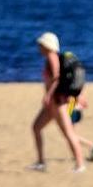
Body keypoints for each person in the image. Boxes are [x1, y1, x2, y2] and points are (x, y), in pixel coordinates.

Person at [31, 32, 85, 173]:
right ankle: (41, 162)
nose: (39, 47)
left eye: (40, 44)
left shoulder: (51, 57)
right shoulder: (50, 58)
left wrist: (48, 95)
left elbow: (56, 77)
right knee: (36, 127)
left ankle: (80, 165)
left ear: (47, 45)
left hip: (57, 102)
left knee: (68, 133)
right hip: (53, 103)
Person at [69, 90, 93, 162]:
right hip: (76, 109)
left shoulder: (72, 84)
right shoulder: (77, 82)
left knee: (71, 135)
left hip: (73, 110)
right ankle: (76, 155)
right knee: (72, 135)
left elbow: (72, 97)